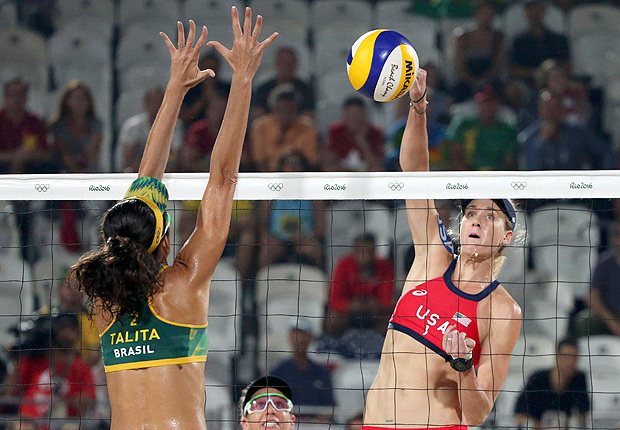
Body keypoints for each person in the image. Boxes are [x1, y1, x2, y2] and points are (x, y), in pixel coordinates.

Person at [66, 11, 277, 429]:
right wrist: (243, 79)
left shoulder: (107, 304)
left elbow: (146, 179)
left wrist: (175, 88)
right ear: (163, 241)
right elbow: (223, 179)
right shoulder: (182, 285)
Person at [363, 68, 523, 429]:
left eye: (491, 216)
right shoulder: (432, 255)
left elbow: (479, 415)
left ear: (507, 237)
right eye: (470, 213)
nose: (477, 220)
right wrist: (418, 106)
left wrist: (464, 368)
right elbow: (415, 171)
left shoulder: (502, 309)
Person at [4, 313, 96, 423]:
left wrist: (68, 399)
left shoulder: (80, 366)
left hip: (63, 425)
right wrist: (17, 357)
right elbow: (9, 395)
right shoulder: (32, 361)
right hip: (28, 424)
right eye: (62, 329)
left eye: (71, 329)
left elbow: (89, 401)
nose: (66, 334)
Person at [256, 149, 326, 269]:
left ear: (303, 169)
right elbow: (262, 223)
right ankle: (260, 285)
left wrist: (306, 237)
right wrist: (269, 237)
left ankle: (318, 286)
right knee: (267, 251)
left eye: (297, 165)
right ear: (281, 168)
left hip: (304, 238)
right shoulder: (271, 192)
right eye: (289, 164)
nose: (293, 168)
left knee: (314, 251)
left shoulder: (314, 194)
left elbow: (320, 228)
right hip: (277, 239)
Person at [325, 234, 394, 337]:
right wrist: (351, 305)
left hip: (376, 311)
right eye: (361, 251)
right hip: (349, 310)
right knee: (333, 320)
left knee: (391, 322)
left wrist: (374, 305)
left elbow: (388, 300)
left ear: (374, 251)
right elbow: (334, 300)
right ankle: (335, 348)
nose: (365, 256)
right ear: (353, 251)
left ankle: (382, 348)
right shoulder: (343, 264)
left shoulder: (385, 266)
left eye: (368, 251)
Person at [513, 338, 589, 429]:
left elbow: (583, 414)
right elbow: (519, 415)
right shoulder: (537, 378)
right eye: (566, 357)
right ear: (556, 357)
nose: (570, 362)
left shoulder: (579, 379)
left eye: (574, 357)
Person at [270, 318, 335, 422]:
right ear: (290, 337)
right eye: (296, 334)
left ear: (311, 338)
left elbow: (329, 407)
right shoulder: (277, 372)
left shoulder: (322, 373)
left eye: (304, 334)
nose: (299, 339)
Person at [442, 85, 519, 171]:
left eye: (491, 103)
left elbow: (509, 162)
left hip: (496, 178)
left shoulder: (507, 131)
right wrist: (470, 178)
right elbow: (455, 156)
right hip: (468, 177)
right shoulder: (463, 125)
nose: (487, 107)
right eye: (484, 103)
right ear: (478, 104)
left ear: (497, 104)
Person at [115, 86, 184, 173]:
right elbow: (128, 159)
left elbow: (176, 157)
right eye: (154, 102)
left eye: (160, 102)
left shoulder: (175, 126)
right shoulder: (132, 126)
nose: (157, 106)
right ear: (145, 104)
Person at [250, 86, 318, 172]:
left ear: (297, 109)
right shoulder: (260, 126)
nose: (284, 114)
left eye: (289, 109)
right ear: (273, 109)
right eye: (280, 109)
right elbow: (259, 160)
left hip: (299, 177)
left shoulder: (308, 127)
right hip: (267, 176)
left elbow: (310, 160)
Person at [452, 0, 506, 102]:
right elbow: (458, 65)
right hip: (467, 81)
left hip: (490, 81)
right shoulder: (464, 36)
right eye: (483, 12)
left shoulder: (499, 38)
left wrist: (485, 80)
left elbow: (498, 65)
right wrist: (472, 81)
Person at [575, 221, 620, 337]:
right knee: (584, 320)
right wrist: (612, 322)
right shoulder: (605, 263)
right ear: (615, 239)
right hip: (610, 313)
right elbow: (591, 297)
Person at [510, 0, 570, 86]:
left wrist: (554, 75)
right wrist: (536, 73)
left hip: (557, 83)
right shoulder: (519, 41)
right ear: (525, 12)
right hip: (529, 84)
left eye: (537, 9)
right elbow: (514, 69)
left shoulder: (559, 39)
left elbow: (568, 65)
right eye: (531, 9)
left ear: (544, 10)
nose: (534, 13)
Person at [49, 80, 103, 174]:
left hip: (89, 171)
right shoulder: (58, 125)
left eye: (83, 98)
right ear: (67, 101)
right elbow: (63, 153)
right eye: (75, 98)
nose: (79, 102)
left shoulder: (95, 124)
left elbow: (93, 154)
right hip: (63, 172)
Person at [326, 96, 385, 172]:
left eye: (358, 115)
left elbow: (378, 168)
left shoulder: (375, 132)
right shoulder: (336, 131)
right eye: (351, 115)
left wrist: (362, 141)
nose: (354, 119)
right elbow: (329, 164)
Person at [253, 46, 315, 115]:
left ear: (296, 64)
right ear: (276, 63)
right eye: (283, 62)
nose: (286, 66)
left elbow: (309, 116)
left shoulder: (304, 89)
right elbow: (256, 116)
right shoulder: (263, 89)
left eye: (290, 62)